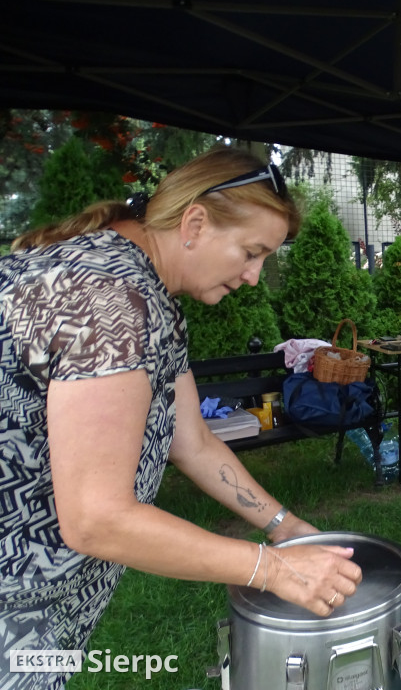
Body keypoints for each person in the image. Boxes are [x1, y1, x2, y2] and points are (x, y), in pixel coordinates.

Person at [0, 148, 362, 690]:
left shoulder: (146, 291)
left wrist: (287, 529)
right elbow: (98, 518)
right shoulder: (108, 300)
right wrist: (275, 569)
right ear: (194, 222)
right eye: (251, 251)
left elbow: (191, 441)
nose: (254, 277)